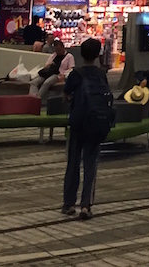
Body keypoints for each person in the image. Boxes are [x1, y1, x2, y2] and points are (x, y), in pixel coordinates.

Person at [62, 39, 114, 220]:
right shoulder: (102, 74)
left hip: (78, 122)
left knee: (73, 163)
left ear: (81, 54)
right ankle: (86, 205)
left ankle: (68, 204)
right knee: (91, 165)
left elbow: (66, 96)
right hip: (96, 122)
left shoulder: (75, 74)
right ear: (98, 54)